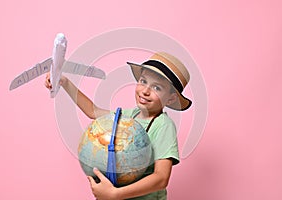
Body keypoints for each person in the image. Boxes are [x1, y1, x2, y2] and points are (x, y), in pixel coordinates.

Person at [45, 52, 192, 200]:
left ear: (171, 98)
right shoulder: (129, 116)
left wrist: (115, 194)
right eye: (143, 81)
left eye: (157, 88)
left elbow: (161, 178)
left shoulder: (163, 125)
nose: (145, 91)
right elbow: (92, 111)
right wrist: (65, 82)